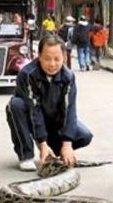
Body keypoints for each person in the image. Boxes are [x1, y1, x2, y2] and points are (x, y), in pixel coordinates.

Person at [6, 35, 93, 171]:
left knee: (84, 135)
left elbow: (70, 110)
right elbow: (34, 109)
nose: (52, 64)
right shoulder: (27, 75)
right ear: (39, 56)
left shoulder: (68, 77)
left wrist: (67, 143)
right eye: (47, 58)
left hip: (54, 120)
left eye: (57, 59)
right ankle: (26, 154)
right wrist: (42, 143)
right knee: (15, 105)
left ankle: (55, 152)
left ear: (64, 57)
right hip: (30, 118)